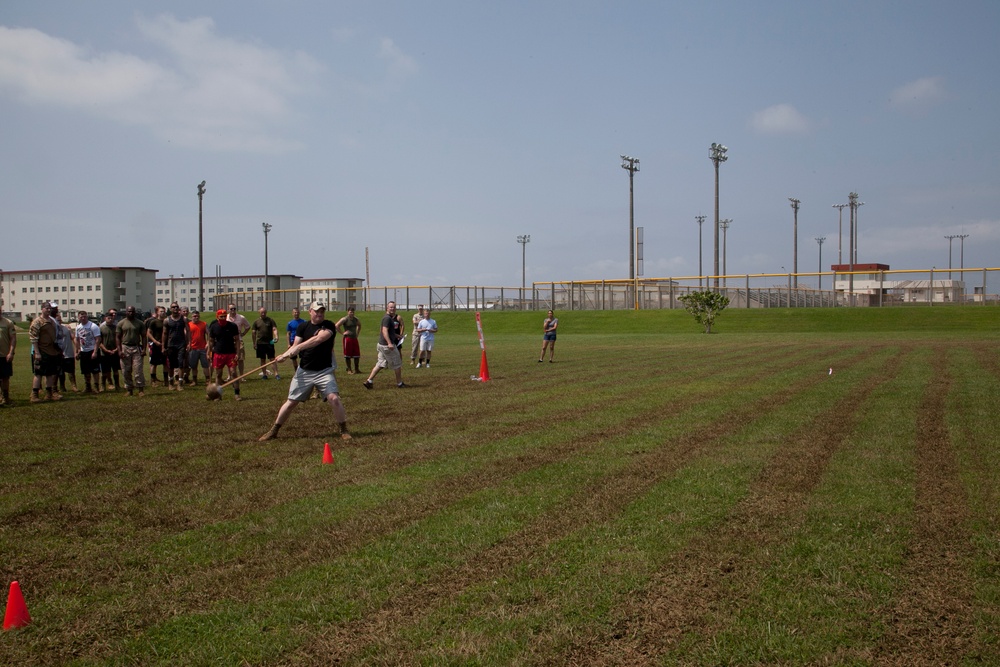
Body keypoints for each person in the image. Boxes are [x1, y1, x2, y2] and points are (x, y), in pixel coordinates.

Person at [258, 301, 352, 442]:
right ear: (310, 311)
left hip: (324, 371)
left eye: (322, 311)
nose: (319, 313)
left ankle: (344, 429)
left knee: (334, 399)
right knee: (290, 402)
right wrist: (284, 355)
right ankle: (274, 430)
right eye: (316, 311)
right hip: (305, 371)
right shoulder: (303, 327)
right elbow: (295, 345)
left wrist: (298, 348)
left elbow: (318, 339)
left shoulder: (329, 325)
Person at [362, 301, 406, 389]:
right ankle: (400, 383)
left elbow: (389, 332)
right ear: (387, 308)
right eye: (391, 307)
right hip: (386, 346)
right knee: (397, 363)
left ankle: (369, 381)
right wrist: (390, 343)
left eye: (394, 307)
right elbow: (384, 331)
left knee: (380, 363)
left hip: (381, 345)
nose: (392, 309)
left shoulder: (388, 318)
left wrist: (397, 336)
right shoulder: (387, 318)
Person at [28, 301, 62, 402]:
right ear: (42, 309)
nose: (48, 310)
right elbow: (33, 338)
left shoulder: (52, 320)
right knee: (38, 373)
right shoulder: (37, 321)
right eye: (46, 308)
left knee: (50, 373)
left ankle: (49, 394)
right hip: (42, 351)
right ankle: (34, 395)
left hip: (51, 351)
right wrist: (37, 352)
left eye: (49, 308)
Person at [209, 308, 242, 401]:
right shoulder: (214, 327)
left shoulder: (232, 326)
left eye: (224, 316)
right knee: (218, 374)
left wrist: (238, 353)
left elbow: (237, 340)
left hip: (231, 353)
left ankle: (237, 393)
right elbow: (211, 341)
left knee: (233, 373)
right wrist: (209, 352)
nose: (223, 318)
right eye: (221, 317)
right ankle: (218, 395)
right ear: (217, 317)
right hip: (218, 354)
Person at [116, 305, 147, 397]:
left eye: (132, 311)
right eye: (129, 311)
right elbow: (117, 337)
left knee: (138, 370)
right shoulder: (121, 323)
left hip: (136, 347)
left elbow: (144, 337)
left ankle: (140, 389)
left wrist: (144, 349)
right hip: (125, 347)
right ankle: (129, 389)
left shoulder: (140, 323)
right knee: (126, 370)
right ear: (126, 312)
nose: (131, 313)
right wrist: (119, 350)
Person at [161, 302, 191, 391]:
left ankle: (180, 384)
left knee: (181, 364)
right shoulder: (167, 320)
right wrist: (163, 346)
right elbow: (164, 334)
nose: (175, 308)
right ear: (170, 309)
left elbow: (188, 331)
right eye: (173, 307)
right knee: (171, 365)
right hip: (171, 345)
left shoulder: (184, 319)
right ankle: (171, 383)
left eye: (176, 307)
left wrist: (189, 343)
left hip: (181, 344)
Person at [74, 310, 102, 393]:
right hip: (84, 351)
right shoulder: (78, 327)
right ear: (78, 318)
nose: (83, 318)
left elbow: (98, 339)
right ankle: (88, 387)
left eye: (84, 316)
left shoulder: (93, 326)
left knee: (95, 370)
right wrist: (77, 350)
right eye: (81, 317)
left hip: (92, 350)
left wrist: (95, 351)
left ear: (87, 316)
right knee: (86, 370)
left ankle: (96, 386)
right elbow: (77, 339)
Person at [251, 307, 279, 379]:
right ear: (259, 312)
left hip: (270, 342)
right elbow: (253, 332)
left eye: (264, 312)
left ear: (266, 312)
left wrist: (276, 336)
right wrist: (254, 343)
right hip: (260, 343)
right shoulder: (256, 322)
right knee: (262, 359)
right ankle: (264, 374)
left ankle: (276, 374)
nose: (263, 314)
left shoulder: (270, 320)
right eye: (261, 312)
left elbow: (274, 329)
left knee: (272, 358)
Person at [98, 310, 121, 391]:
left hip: (115, 352)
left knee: (115, 370)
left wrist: (115, 350)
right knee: (104, 371)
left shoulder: (116, 328)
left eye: (111, 318)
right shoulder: (101, 328)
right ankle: (103, 386)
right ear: (105, 318)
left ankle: (117, 385)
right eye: (108, 318)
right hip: (104, 353)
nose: (110, 320)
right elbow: (99, 342)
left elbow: (119, 340)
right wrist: (106, 350)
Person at [227, 304, 251, 379]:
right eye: (231, 309)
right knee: (229, 359)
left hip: (239, 340)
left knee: (240, 358)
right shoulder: (226, 317)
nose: (233, 310)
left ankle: (241, 376)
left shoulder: (241, 317)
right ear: (228, 310)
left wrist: (243, 333)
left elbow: (248, 326)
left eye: (234, 309)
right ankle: (229, 376)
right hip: (228, 341)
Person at [335, 307, 362, 374]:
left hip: (354, 338)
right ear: (348, 312)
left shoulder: (356, 319)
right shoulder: (345, 319)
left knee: (357, 354)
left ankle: (356, 369)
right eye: (350, 312)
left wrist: (357, 333)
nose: (352, 313)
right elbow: (337, 325)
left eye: (353, 312)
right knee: (348, 355)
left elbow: (359, 325)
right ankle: (349, 369)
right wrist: (343, 333)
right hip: (348, 339)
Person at [56, 312, 78, 393]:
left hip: (68, 353)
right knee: (60, 372)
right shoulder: (53, 330)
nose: (59, 321)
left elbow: (73, 338)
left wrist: (77, 349)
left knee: (71, 371)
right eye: (57, 320)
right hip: (58, 354)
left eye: (59, 320)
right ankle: (62, 387)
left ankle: (74, 386)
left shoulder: (66, 328)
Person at [187, 309, 209, 386]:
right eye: (194, 316)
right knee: (193, 366)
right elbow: (186, 336)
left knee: (205, 365)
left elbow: (208, 334)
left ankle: (207, 380)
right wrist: (188, 344)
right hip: (193, 348)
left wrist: (208, 343)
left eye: (197, 316)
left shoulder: (204, 324)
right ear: (191, 317)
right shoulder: (188, 325)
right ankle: (194, 380)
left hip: (203, 348)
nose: (196, 317)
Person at [145, 306, 166, 386]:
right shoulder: (153, 322)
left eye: (164, 311)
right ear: (157, 313)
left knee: (165, 363)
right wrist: (155, 341)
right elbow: (148, 333)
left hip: (165, 345)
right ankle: (153, 380)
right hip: (156, 345)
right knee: (154, 363)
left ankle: (166, 380)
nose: (162, 313)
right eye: (161, 311)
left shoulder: (167, 321)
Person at [0, 309, 17, 406]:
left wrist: (11, 353)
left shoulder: (8, 323)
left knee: (5, 377)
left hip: (4, 355)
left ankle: (5, 398)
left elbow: (13, 339)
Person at [285, 307, 306, 372]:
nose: (296, 314)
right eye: (295, 312)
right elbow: (288, 334)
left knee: (303, 357)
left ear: (299, 313)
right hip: (293, 342)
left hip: (301, 342)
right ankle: (296, 371)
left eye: (297, 312)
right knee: (293, 358)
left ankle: (303, 370)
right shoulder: (290, 323)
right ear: (292, 313)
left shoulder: (304, 322)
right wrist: (288, 344)